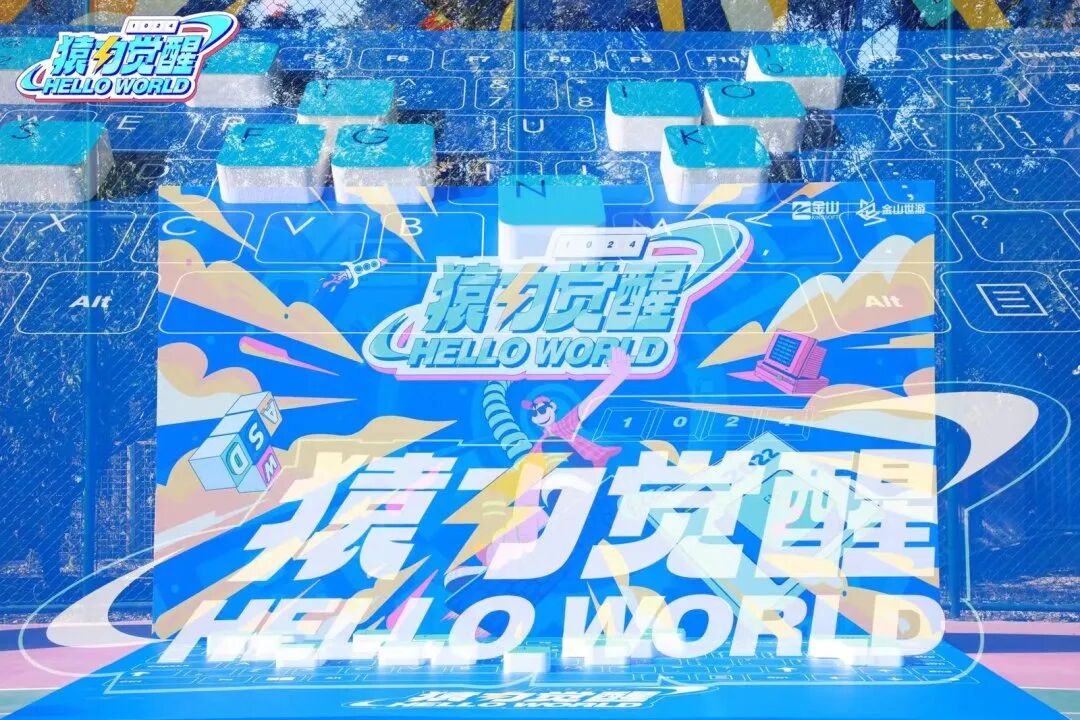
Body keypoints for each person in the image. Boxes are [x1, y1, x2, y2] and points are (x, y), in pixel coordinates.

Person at [521, 348, 631, 468]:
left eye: (542, 410)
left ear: (552, 407)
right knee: (549, 445)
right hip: (568, 472)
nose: (539, 416)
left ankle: (584, 466)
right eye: (534, 414)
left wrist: (616, 377)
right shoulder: (541, 443)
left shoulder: (564, 425)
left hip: (593, 462)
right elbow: (529, 465)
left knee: (551, 443)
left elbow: (589, 404)